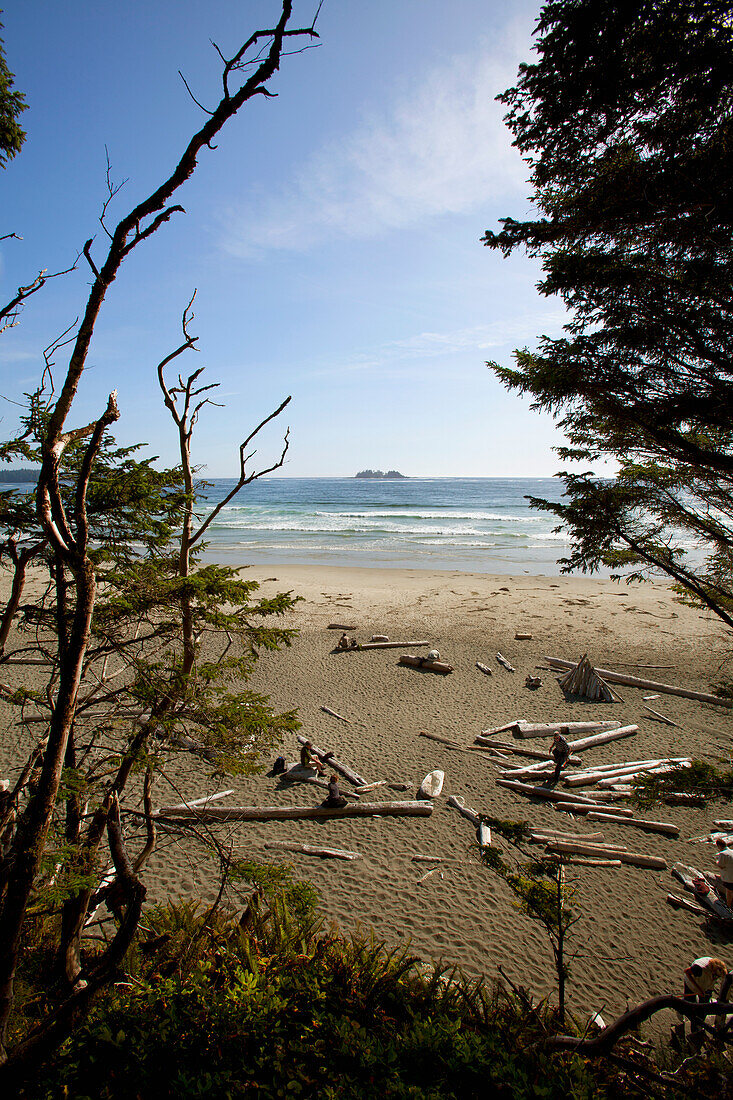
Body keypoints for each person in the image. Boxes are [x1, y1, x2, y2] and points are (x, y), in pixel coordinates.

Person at [682, 956, 728, 1036]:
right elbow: (687, 972)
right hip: (692, 985)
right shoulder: (699, 969)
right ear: (712, 970)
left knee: (704, 1007)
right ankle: (693, 1027)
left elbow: (711, 980)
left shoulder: (715, 972)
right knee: (690, 1006)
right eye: (716, 976)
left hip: (706, 986)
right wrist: (698, 989)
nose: (716, 978)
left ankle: (699, 1026)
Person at [715, 837, 733, 908]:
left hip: (729, 877)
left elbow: (721, 865)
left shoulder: (722, 854)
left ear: (719, 846)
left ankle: (728, 905)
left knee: (729, 891)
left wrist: (716, 861)